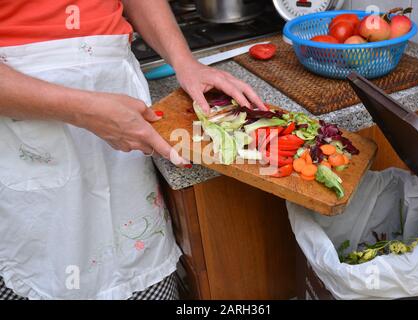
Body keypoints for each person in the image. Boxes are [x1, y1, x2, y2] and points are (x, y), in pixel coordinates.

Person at [0, 0, 265, 300]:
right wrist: (82, 111)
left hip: (118, 92)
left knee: (137, 265)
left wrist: (184, 61)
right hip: (29, 111)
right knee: (48, 271)